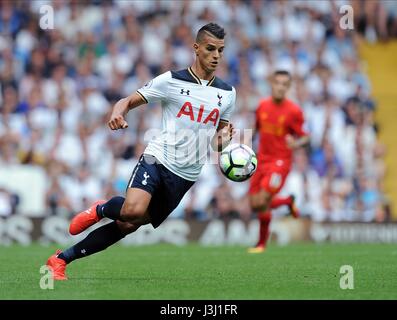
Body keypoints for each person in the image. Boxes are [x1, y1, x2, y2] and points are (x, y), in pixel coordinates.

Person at [45, 23, 236, 280]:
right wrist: (117, 112)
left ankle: (60, 260)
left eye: (221, 51)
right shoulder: (171, 80)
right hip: (158, 158)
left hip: (186, 175)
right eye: (210, 49)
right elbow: (128, 100)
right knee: (132, 210)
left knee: (128, 224)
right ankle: (102, 209)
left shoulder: (227, 93)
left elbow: (216, 143)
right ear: (196, 48)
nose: (216, 56)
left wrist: (224, 140)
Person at [248, 70, 309, 253]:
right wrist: (243, 146)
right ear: (271, 84)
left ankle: (261, 244)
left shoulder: (294, 111)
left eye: (285, 84)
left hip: (280, 163)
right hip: (261, 160)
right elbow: (255, 129)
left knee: (264, 199)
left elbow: (305, 137)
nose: (280, 87)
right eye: (278, 83)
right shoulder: (262, 106)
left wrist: (296, 142)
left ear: (288, 88)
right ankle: (287, 202)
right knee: (254, 204)